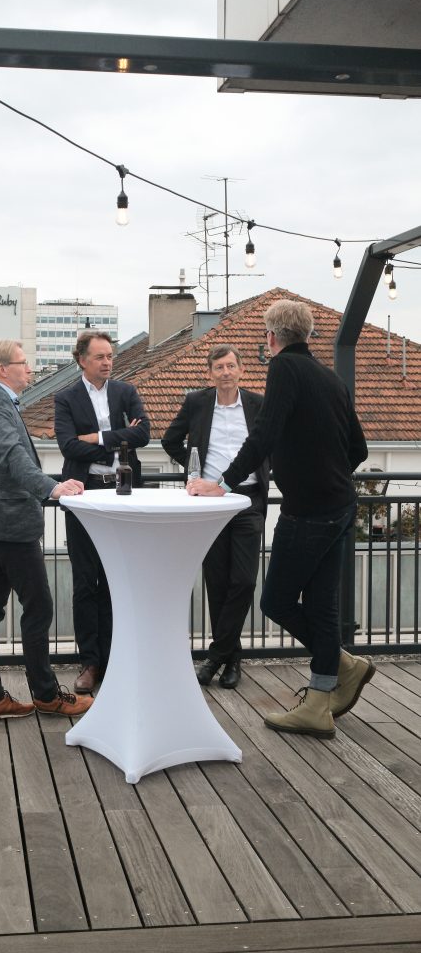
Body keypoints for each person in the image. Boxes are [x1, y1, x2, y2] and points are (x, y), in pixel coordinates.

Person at [188, 300, 372, 737]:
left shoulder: (285, 368)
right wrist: (326, 474)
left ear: (271, 338)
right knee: (322, 605)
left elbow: (263, 435)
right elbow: (359, 449)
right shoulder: (329, 377)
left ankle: (341, 666)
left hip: (308, 512)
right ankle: (322, 696)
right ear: (307, 334)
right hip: (340, 506)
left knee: (276, 601)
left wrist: (223, 483)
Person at [0, 339, 93, 721]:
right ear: (3, 369)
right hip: (10, 526)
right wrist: (52, 488)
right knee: (38, 608)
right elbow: (12, 457)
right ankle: (46, 694)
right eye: (23, 363)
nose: (29, 369)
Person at [162, 344, 269, 689]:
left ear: (241, 370)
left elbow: (270, 443)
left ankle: (216, 656)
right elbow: (169, 440)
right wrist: (195, 469)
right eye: (219, 367)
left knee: (244, 581)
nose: (225, 372)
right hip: (209, 503)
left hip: (248, 499)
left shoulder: (257, 404)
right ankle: (232, 660)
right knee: (217, 581)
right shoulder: (197, 402)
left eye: (231, 366)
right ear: (210, 373)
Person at [54, 331, 150, 693]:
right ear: (82, 360)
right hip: (85, 493)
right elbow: (68, 446)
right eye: (100, 357)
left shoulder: (125, 392)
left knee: (117, 578)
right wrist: (119, 437)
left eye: (110, 356)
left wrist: (96, 438)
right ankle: (90, 662)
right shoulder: (66, 398)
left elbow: (144, 435)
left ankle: (115, 658)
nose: (107, 362)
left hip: (123, 493)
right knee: (86, 580)